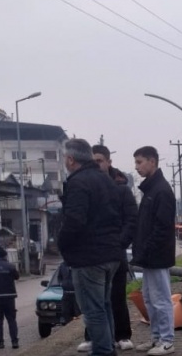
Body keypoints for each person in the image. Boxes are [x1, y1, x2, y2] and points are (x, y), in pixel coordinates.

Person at [58, 138, 123, 356]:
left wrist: (62, 244)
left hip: (89, 257)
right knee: (104, 306)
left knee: (93, 310)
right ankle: (109, 348)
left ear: (70, 159)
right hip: (111, 254)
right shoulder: (106, 180)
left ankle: (103, 351)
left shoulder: (78, 182)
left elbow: (74, 221)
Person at [77, 145, 138, 352]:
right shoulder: (85, 185)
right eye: (93, 161)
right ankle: (94, 337)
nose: (97, 164)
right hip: (92, 252)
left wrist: (120, 243)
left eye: (100, 160)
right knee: (94, 300)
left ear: (109, 162)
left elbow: (131, 219)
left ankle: (122, 334)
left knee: (116, 296)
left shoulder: (121, 188)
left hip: (115, 252)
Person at [132, 146, 176, 355]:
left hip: (157, 256)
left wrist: (147, 248)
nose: (137, 167)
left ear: (152, 161)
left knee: (161, 299)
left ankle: (167, 340)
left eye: (140, 162)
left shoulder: (161, 191)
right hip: (149, 256)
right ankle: (157, 338)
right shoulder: (152, 189)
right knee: (150, 298)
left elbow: (162, 227)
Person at [57, 261, 80, 325]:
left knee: (78, 313)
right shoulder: (62, 265)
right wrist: (61, 283)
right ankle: (68, 326)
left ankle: (77, 329)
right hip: (66, 294)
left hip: (76, 294)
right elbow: (59, 277)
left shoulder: (78, 264)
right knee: (65, 312)